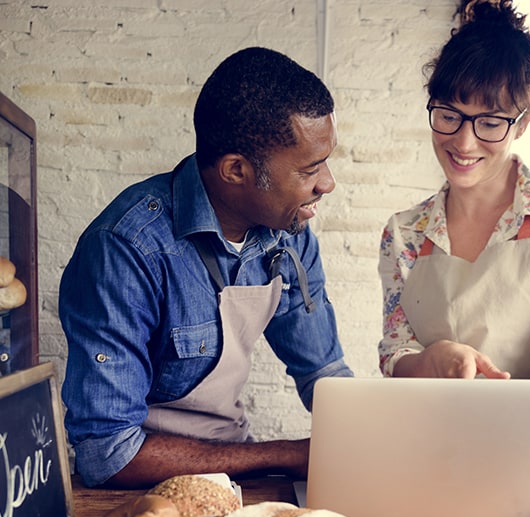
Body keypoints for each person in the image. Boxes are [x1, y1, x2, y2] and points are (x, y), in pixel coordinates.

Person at [59, 47, 352, 489]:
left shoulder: (288, 232)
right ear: (236, 170)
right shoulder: (126, 249)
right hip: (140, 487)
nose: (327, 183)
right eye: (310, 168)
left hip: (234, 468)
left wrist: (370, 439)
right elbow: (109, 453)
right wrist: (290, 456)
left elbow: (323, 374)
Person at [378, 0, 530, 517]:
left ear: (524, 120)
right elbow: (395, 353)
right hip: (431, 471)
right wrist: (427, 361)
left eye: (489, 122)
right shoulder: (404, 232)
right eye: (449, 115)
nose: (463, 142)